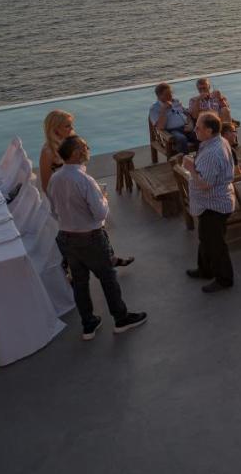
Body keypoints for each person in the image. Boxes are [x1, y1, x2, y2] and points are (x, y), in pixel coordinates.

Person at [46, 135, 147, 339]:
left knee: (80, 282)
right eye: (84, 146)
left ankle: (88, 324)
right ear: (75, 153)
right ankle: (121, 319)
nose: (88, 148)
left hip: (66, 237)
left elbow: (54, 210)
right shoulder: (84, 180)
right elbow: (100, 214)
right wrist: (103, 198)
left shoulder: (55, 179)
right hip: (90, 238)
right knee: (108, 278)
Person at [40, 109, 133, 267]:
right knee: (77, 232)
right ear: (55, 129)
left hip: (79, 192)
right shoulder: (48, 151)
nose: (71, 128)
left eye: (71, 125)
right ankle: (69, 266)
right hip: (64, 200)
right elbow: (46, 184)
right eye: (67, 126)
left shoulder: (72, 143)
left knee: (98, 227)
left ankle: (109, 257)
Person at [183, 112, 237, 293]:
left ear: (209, 130)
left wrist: (191, 168)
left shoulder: (213, 152)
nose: (194, 129)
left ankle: (224, 279)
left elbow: (205, 184)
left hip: (214, 205)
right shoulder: (218, 142)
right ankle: (205, 269)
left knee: (215, 243)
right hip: (214, 203)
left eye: (198, 127)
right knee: (205, 238)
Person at [149, 82, 196, 154]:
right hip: (172, 131)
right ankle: (184, 161)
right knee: (181, 139)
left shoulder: (176, 101)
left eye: (171, 93)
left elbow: (187, 114)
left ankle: (202, 159)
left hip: (185, 127)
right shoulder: (154, 109)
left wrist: (190, 124)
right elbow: (160, 127)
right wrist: (163, 110)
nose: (170, 96)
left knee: (201, 134)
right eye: (167, 94)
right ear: (159, 96)